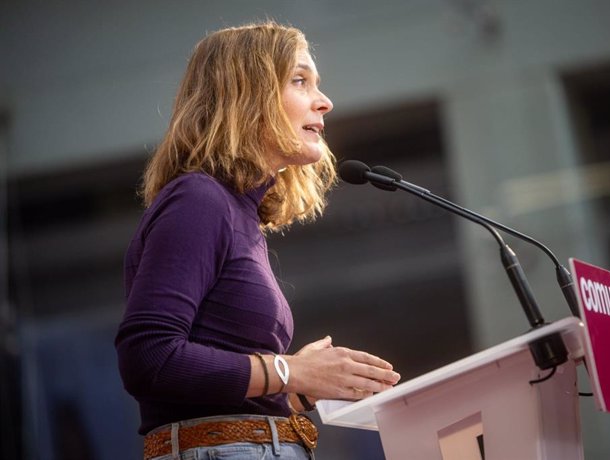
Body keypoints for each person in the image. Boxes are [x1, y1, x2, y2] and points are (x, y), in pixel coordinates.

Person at [114, 21, 401, 460]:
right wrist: (291, 369)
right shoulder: (199, 199)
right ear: (248, 96)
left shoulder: (236, 210)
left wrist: (302, 388)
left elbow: (211, 401)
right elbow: (149, 357)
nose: (324, 102)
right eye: (300, 81)